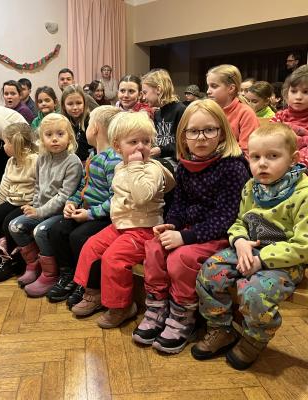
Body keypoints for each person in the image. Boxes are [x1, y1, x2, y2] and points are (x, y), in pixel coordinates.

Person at [132, 99, 250, 353]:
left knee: (181, 259)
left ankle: (183, 316)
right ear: (183, 137)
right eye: (193, 131)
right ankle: (157, 308)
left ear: (222, 132)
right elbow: (179, 204)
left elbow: (226, 218)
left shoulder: (233, 167)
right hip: (189, 230)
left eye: (209, 130)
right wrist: (171, 225)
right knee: (154, 248)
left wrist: (185, 237)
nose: (201, 137)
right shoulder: (186, 166)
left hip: (217, 234)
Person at [192, 123, 308, 370]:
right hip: (248, 249)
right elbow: (239, 221)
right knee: (210, 270)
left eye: (273, 156)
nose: (262, 164)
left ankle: (255, 339)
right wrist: (240, 240)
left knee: (254, 291)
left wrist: (262, 259)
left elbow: (304, 245)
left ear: (293, 159)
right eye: (255, 157)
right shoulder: (251, 187)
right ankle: (221, 328)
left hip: (285, 261)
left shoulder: (304, 194)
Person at [72, 112, 175, 328]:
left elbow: (142, 196)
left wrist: (136, 167)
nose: (141, 147)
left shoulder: (151, 169)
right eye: (133, 142)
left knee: (113, 259)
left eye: (146, 141)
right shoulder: (120, 167)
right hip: (121, 225)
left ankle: (122, 307)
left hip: (144, 229)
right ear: (118, 147)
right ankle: (93, 292)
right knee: (91, 246)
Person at [46, 106, 122, 306]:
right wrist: (72, 201)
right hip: (86, 211)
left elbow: (115, 199)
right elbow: (82, 185)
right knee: (57, 230)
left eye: (88, 125)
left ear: (95, 128)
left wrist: (89, 214)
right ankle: (69, 275)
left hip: (104, 216)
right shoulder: (92, 155)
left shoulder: (114, 160)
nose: (86, 128)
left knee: (78, 236)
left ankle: (86, 283)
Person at [8, 114, 82, 297]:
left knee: (40, 231)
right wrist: (34, 206)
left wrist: (39, 211)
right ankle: (34, 265)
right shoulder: (42, 158)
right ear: (42, 139)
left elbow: (64, 196)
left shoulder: (73, 162)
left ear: (69, 137)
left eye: (60, 134)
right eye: (49, 135)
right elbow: (38, 186)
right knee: (15, 226)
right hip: (40, 209)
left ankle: (50, 274)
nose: (54, 139)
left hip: (59, 213)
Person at [0, 123, 38, 283]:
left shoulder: (35, 161)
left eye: (5, 143)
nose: (3, 146)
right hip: (13, 201)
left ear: (14, 144)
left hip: (29, 203)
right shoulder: (11, 161)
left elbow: (40, 186)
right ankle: (1, 254)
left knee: (8, 222)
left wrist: (36, 206)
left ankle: (14, 261)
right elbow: (4, 186)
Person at [207, 64, 259, 154]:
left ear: (231, 88)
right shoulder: (208, 111)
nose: (208, 91)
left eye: (214, 86)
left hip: (234, 161)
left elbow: (247, 152)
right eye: (208, 86)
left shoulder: (245, 113)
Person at [142, 69, 186, 164]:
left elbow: (185, 143)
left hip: (177, 163)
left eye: (145, 93)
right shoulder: (157, 114)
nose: (143, 98)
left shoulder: (180, 110)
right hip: (160, 161)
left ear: (158, 89)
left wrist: (161, 150)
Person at [271, 65, 308, 167]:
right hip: (277, 162)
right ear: (287, 93)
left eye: (305, 92)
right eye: (293, 91)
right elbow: (268, 137)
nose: (298, 97)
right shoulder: (280, 116)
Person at [60, 84, 92, 162]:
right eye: (70, 104)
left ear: (84, 103)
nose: (75, 107)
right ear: (63, 106)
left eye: (78, 103)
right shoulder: (60, 123)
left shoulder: (91, 121)